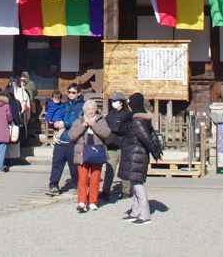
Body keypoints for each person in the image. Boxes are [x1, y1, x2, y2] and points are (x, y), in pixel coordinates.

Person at [118, 92, 162, 226]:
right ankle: (135, 211)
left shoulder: (137, 120)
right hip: (134, 154)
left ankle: (145, 215)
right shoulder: (142, 118)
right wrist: (156, 150)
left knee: (137, 185)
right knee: (134, 183)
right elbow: (152, 134)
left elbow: (146, 138)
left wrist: (155, 152)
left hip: (136, 154)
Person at [68, 99, 112, 212]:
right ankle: (82, 202)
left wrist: (95, 125)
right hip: (82, 153)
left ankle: (93, 201)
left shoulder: (101, 120)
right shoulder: (78, 121)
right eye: (88, 109)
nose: (90, 111)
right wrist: (83, 126)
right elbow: (71, 136)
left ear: (96, 110)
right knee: (82, 179)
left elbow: (106, 133)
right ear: (84, 110)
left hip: (96, 153)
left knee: (95, 179)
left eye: (92, 109)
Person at [47, 83, 83, 195]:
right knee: (57, 164)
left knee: (74, 166)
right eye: (69, 92)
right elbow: (56, 115)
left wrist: (64, 124)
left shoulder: (81, 105)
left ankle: (76, 186)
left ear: (78, 94)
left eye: (73, 92)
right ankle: (53, 185)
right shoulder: (64, 104)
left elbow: (79, 120)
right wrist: (55, 123)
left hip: (73, 140)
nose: (71, 94)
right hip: (61, 139)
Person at [100, 92, 131, 201]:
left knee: (124, 169)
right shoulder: (110, 114)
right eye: (112, 101)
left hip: (123, 145)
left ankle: (126, 191)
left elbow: (125, 129)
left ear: (121, 102)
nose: (113, 103)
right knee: (109, 169)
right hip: (111, 145)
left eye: (115, 101)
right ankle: (105, 191)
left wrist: (113, 129)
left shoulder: (127, 114)